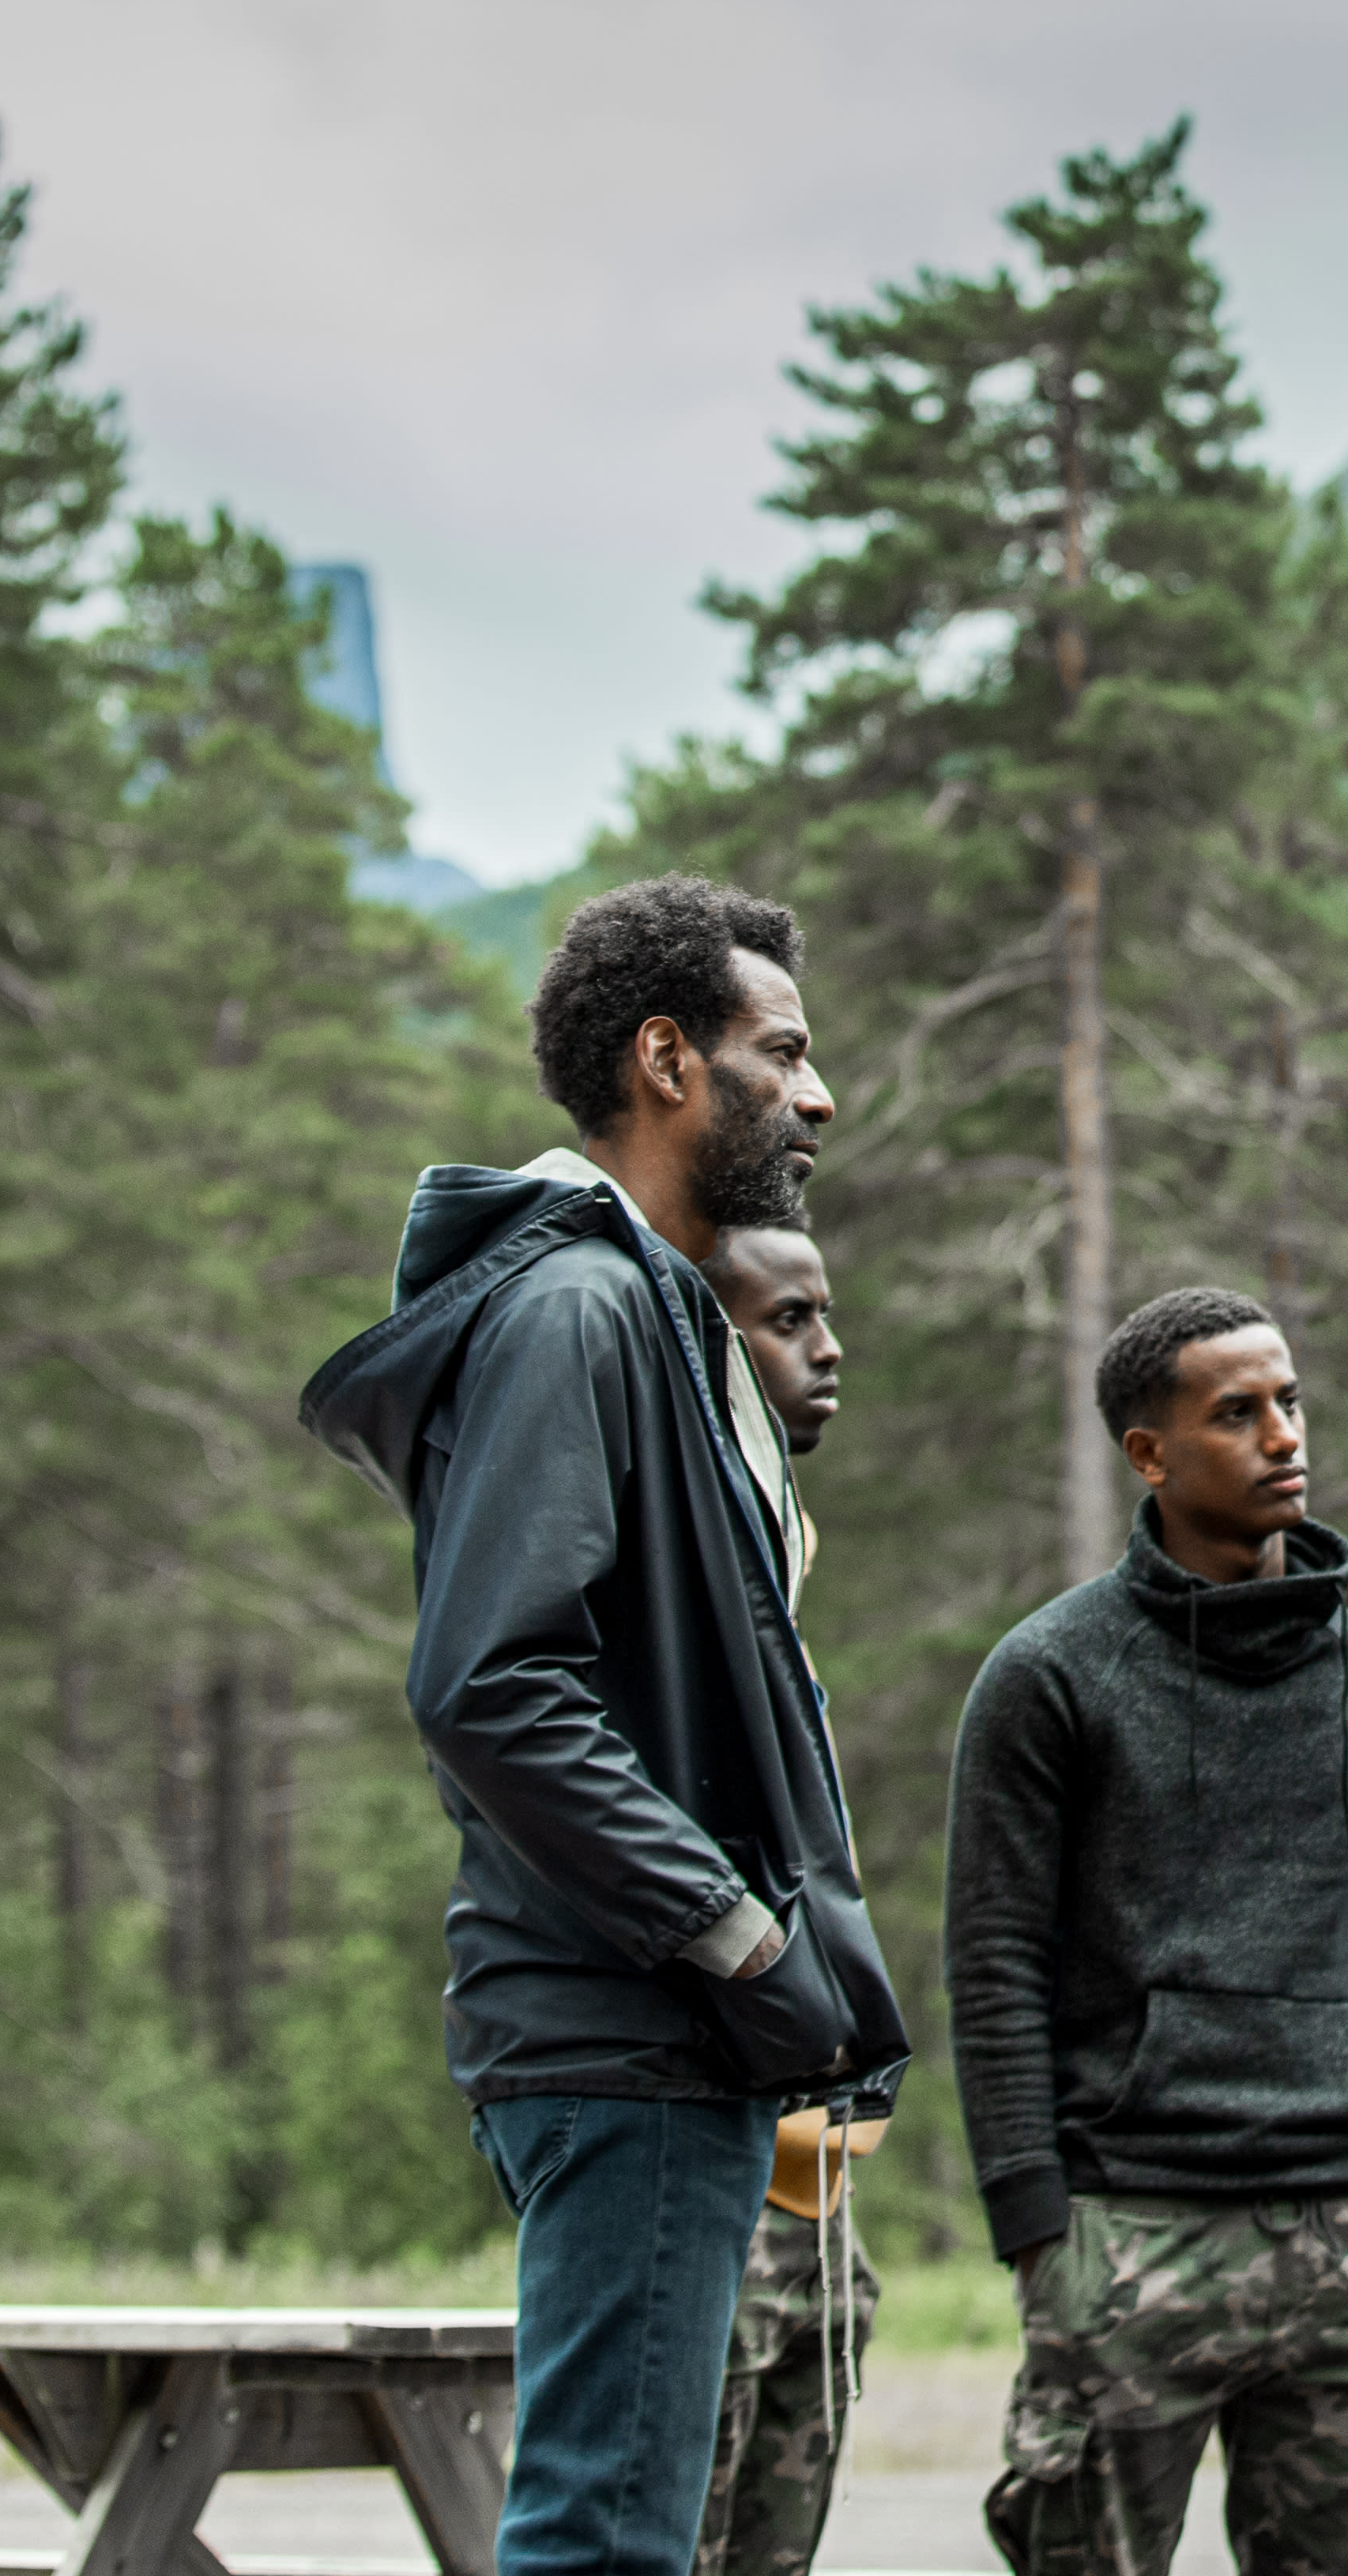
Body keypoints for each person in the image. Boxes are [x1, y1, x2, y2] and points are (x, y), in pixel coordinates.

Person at [299, 877, 907, 2576]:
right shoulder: (576, 1313)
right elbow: (488, 1683)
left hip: (651, 2035)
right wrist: (727, 1938)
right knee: (608, 2536)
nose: (817, 1093)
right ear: (666, 1061)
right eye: (780, 1051)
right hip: (628, 2031)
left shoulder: (644, 1312)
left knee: (624, 2522)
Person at [948, 1286, 1348, 2576]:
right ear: (1151, 1453)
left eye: (1289, 1403)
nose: (1284, 1436)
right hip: (1128, 2234)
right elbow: (993, 1965)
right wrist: (1035, 2225)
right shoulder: (1049, 1677)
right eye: (1236, 1414)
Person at [691, 1225, 890, 2576]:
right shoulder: (672, 1565)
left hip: (815, 2200)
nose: (827, 1350)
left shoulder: (779, 1552)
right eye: (786, 1320)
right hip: (706, 2180)